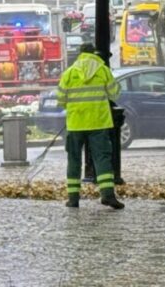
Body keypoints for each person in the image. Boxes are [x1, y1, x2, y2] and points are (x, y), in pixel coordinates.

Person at [56, 43, 124, 210]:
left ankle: (73, 198)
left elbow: (61, 100)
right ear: (94, 53)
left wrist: (76, 109)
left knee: (74, 160)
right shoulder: (103, 70)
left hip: (75, 124)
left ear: (80, 53)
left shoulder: (70, 73)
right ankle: (107, 195)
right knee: (102, 159)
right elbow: (115, 93)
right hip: (99, 123)